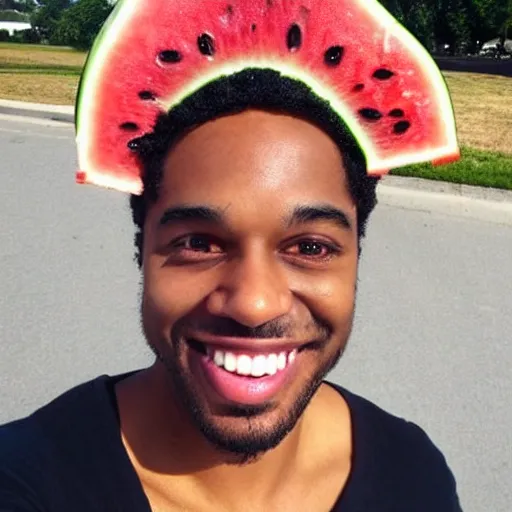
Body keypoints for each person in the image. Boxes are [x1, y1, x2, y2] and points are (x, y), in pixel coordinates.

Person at [0, 8, 462, 512]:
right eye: (198, 243)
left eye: (310, 248)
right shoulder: (27, 480)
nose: (255, 304)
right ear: (142, 250)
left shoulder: (415, 475)